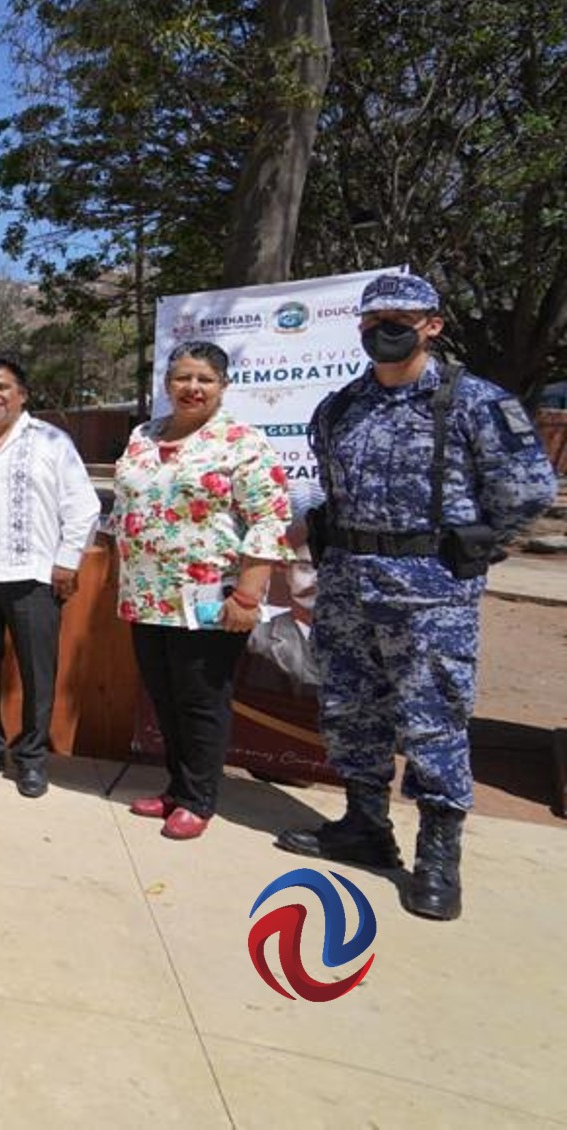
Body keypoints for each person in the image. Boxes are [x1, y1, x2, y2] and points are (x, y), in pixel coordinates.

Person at [275, 272, 557, 920]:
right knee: (351, 710)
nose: (385, 331)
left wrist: (478, 547)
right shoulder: (341, 407)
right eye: (374, 322)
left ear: (432, 324)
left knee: (433, 721)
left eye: (400, 320)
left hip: (430, 596)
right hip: (348, 587)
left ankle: (437, 858)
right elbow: (331, 491)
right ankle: (365, 828)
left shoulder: (475, 402)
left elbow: (529, 491)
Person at [114, 342, 294, 840]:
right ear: (167, 383)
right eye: (182, 378)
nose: (192, 388)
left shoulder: (242, 443)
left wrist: (248, 597)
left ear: (223, 386)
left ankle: (198, 799)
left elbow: (268, 520)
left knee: (200, 700)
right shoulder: (143, 436)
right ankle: (177, 788)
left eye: (204, 379)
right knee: (165, 697)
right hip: (148, 596)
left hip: (210, 600)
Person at [0, 358, 101, 799]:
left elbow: (83, 506)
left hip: (34, 576)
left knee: (37, 671)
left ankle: (31, 757)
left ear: (22, 394)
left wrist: (67, 560)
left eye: (2, 387)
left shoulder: (51, 441)